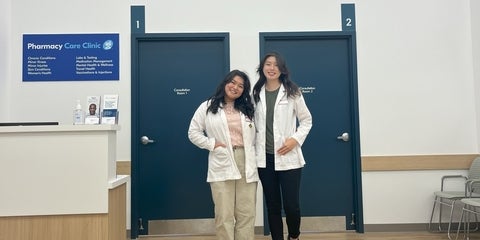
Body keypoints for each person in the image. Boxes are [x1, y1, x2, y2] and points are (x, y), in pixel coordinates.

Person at [188, 69, 258, 240]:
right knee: (223, 214)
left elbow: (258, 135)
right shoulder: (207, 106)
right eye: (233, 82)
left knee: (246, 213)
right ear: (225, 83)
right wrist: (212, 144)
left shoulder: (249, 109)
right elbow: (193, 132)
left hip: (246, 161)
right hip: (222, 160)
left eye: (241, 86)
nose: (235, 87)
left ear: (244, 90)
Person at [253, 52, 313, 240]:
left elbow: (306, 120)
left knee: (291, 205)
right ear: (262, 67)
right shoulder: (256, 92)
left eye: (276, 65)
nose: (272, 68)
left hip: (289, 157)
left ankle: (294, 236)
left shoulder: (292, 91)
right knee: (272, 205)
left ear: (282, 69)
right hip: (265, 159)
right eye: (268, 64)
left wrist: (295, 140)